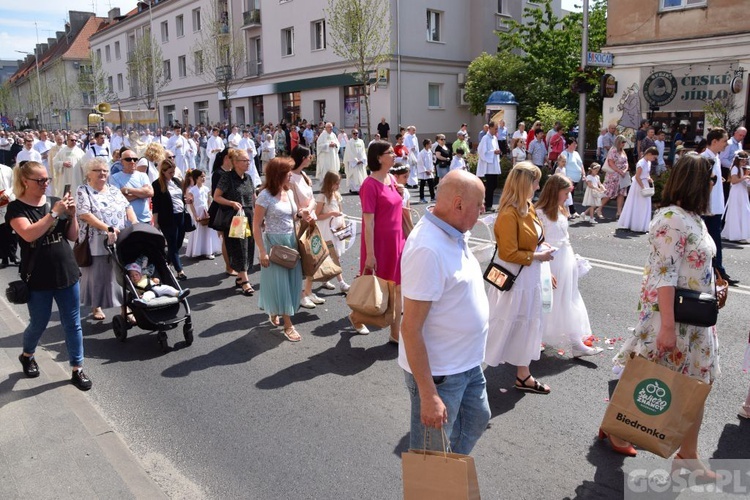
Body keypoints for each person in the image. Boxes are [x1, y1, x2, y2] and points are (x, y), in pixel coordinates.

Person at [609, 153, 719, 469]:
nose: (714, 185)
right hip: (675, 319)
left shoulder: (692, 218)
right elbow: (665, 276)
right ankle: (617, 427)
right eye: (710, 180)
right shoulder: (671, 219)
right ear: (698, 183)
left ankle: (688, 456)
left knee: (696, 386)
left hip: (696, 319)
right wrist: (668, 327)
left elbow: (695, 264)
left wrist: (715, 284)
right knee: (649, 381)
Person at [399, 169, 490, 454]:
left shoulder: (452, 229)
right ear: (459, 204)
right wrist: (429, 395)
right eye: (480, 204)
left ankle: (448, 476)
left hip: (466, 362)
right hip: (441, 373)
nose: (484, 210)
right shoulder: (428, 248)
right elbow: (410, 328)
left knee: (477, 418)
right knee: (431, 450)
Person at [7, 161, 92, 390]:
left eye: (47, 180)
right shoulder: (17, 209)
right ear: (25, 181)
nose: (45, 184)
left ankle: (77, 369)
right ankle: (27, 355)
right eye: (40, 180)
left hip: (66, 271)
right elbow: (28, 234)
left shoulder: (56, 202)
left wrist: (72, 215)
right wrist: (55, 213)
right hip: (38, 276)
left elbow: (72, 236)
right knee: (38, 323)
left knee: (73, 323)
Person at [484, 162, 556, 394]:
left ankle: (523, 376)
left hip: (528, 278)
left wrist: (541, 246)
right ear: (525, 183)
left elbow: (533, 238)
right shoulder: (508, 213)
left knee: (525, 325)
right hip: (514, 281)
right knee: (504, 324)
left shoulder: (527, 206)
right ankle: (470, 368)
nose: (538, 185)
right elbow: (508, 253)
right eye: (535, 181)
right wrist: (539, 255)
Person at [535, 174, 601, 357]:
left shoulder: (561, 208)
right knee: (547, 301)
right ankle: (536, 338)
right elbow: (538, 240)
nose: (568, 197)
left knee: (568, 299)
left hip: (565, 258)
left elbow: (564, 237)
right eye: (566, 192)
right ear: (555, 191)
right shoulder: (540, 212)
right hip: (552, 260)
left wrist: (574, 258)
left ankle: (576, 343)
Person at [355, 141, 405, 341]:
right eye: (390, 152)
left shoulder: (392, 178)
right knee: (377, 288)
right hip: (380, 245)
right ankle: (356, 316)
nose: (394, 155)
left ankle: (395, 334)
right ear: (378, 158)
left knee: (398, 289)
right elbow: (368, 223)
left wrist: (400, 193)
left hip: (397, 241)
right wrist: (370, 254)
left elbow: (397, 208)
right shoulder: (369, 184)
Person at [76, 158, 137, 322]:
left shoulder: (113, 190)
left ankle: (125, 307)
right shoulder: (83, 190)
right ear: (89, 174)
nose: (102, 173)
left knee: (120, 275)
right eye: (97, 170)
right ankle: (96, 305)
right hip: (96, 240)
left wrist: (135, 222)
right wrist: (106, 228)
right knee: (98, 276)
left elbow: (127, 207)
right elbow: (84, 214)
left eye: (104, 170)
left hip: (119, 238)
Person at [253, 157, 305, 342]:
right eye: (287, 171)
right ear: (278, 174)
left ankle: (275, 309)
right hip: (274, 244)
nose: (291, 174)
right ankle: (288, 324)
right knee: (280, 282)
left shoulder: (288, 192)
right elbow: (256, 225)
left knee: (290, 282)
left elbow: (292, 217)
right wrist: (262, 251)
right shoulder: (264, 195)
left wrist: (301, 215)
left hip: (291, 241)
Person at [213, 149, 257, 296]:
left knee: (248, 246)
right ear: (236, 163)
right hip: (235, 217)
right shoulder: (227, 177)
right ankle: (245, 280)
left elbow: (253, 196)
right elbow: (216, 197)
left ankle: (240, 277)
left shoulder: (248, 178)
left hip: (248, 215)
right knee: (239, 247)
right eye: (244, 160)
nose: (248, 163)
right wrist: (231, 202)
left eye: (248, 160)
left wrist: (258, 215)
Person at [288, 146, 324, 308]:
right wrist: (307, 210)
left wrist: (310, 209)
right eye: (309, 156)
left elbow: (312, 199)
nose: (311, 158)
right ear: (303, 158)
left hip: (310, 219)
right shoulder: (290, 177)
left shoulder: (303, 175)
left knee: (313, 256)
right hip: (299, 222)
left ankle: (308, 291)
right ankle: (300, 294)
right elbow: (292, 204)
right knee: (302, 257)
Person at [701, 128, 736, 285]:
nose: (726, 144)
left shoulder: (715, 158)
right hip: (706, 209)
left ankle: (718, 272)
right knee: (705, 243)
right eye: (724, 141)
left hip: (715, 208)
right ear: (714, 141)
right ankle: (713, 272)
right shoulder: (703, 159)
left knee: (715, 242)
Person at [152, 159, 189, 281]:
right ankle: (179, 270)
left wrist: (186, 201)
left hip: (180, 214)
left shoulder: (176, 181)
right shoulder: (157, 184)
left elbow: (182, 196)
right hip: (167, 217)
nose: (172, 174)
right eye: (170, 172)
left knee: (178, 242)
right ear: (163, 172)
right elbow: (156, 204)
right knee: (172, 243)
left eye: (173, 172)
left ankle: (166, 262)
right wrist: (156, 222)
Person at [315, 170, 351, 293]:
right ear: (329, 183)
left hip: (336, 229)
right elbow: (317, 215)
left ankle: (325, 279)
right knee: (333, 255)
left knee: (334, 255)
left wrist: (343, 224)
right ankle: (341, 282)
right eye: (336, 183)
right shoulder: (322, 196)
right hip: (326, 228)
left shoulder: (337, 195)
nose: (338, 186)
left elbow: (341, 212)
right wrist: (331, 214)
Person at [109, 148, 154, 224]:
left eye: (135, 159)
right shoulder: (114, 177)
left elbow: (150, 193)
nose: (132, 162)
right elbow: (118, 200)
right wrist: (141, 194)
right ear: (122, 162)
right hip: (126, 222)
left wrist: (127, 190)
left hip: (145, 220)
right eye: (128, 159)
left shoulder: (143, 175)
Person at [617, 146, 655, 233]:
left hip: (644, 183)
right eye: (653, 156)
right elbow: (638, 177)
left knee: (645, 205)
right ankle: (635, 224)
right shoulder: (641, 163)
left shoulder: (648, 162)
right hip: (639, 185)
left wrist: (649, 178)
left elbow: (646, 174)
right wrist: (643, 187)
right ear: (649, 154)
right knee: (638, 204)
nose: (654, 159)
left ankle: (642, 225)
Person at [186, 169, 221, 259]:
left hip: (205, 211)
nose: (203, 178)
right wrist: (195, 215)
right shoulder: (192, 190)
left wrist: (210, 212)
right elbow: (191, 204)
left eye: (204, 176)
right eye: (201, 177)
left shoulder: (206, 189)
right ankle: (198, 250)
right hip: (198, 211)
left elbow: (209, 201)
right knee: (198, 230)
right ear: (196, 178)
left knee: (208, 231)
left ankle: (208, 251)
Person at [721, 151, 750, 243]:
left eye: (745, 161)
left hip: (742, 192)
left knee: (743, 211)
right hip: (736, 192)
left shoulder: (742, 169)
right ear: (738, 160)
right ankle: (736, 234)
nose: (744, 163)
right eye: (742, 161)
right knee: (737, 211)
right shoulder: (735, 168)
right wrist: (744, 178)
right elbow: (733, 181)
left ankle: (742, 234)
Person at [600, 135, 630, 219]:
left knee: (621, 193)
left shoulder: (623, 151)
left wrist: (625, 170)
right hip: (613, 175)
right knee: (609, 193)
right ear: (618, 142)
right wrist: (619, 171)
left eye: (624, 142)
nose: (624, 144)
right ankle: (599, 208)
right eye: (622, 142)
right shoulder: (613, 150)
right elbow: (611, 163)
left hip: (622, 175)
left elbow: (626, 162)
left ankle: (619, 211)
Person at [0, 162, 18, 267]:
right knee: (1, 232)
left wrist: (6, 193)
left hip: (8, 201)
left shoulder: (7, 169)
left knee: (12, 230)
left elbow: (13, 184)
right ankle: (4, 257)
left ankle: (13, 255)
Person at [343, 129, 367, 194]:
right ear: (352, 134)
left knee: (361, 176)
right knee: (353, 176)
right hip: (353, 162)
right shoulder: (349, 143)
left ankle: (360, 188)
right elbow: (349, 153)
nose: (355, 134)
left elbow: (363, 151)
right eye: (354, 133)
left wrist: (362, 159)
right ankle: (353, 189)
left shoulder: (361, 142)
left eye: (356, 133)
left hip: (360, 162)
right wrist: (356, 161)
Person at [416, 139, 435, 204]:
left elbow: (431, 162)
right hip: (424, 172)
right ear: (426, 144)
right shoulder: (421, 153)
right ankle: (421, 198)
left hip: (429, 171)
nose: (431, 145)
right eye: (430, 143)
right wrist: (425, 170)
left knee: (431, 185)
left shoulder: (430, 152)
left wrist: (431, 169)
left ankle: (433, 197)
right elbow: (420, 162)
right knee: (422, 185)